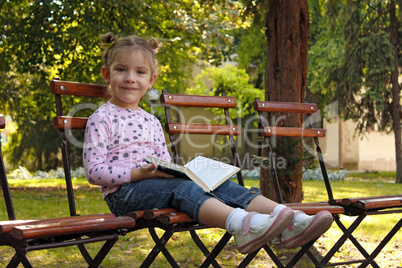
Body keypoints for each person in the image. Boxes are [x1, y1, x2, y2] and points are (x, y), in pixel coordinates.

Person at [83, 32, 333, 254]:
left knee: (216, 182)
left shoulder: (151, 121)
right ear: (107, 74)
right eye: (121, 70)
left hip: (156, 187)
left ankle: (288, 219)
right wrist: (138, 174)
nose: (130, 78)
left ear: (151, 80)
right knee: (182, 188)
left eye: (140, 72)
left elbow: (163, 163)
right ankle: (242, 226)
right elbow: (94, 172)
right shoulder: (101, 118)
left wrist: (172, 171)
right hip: (123, 196)